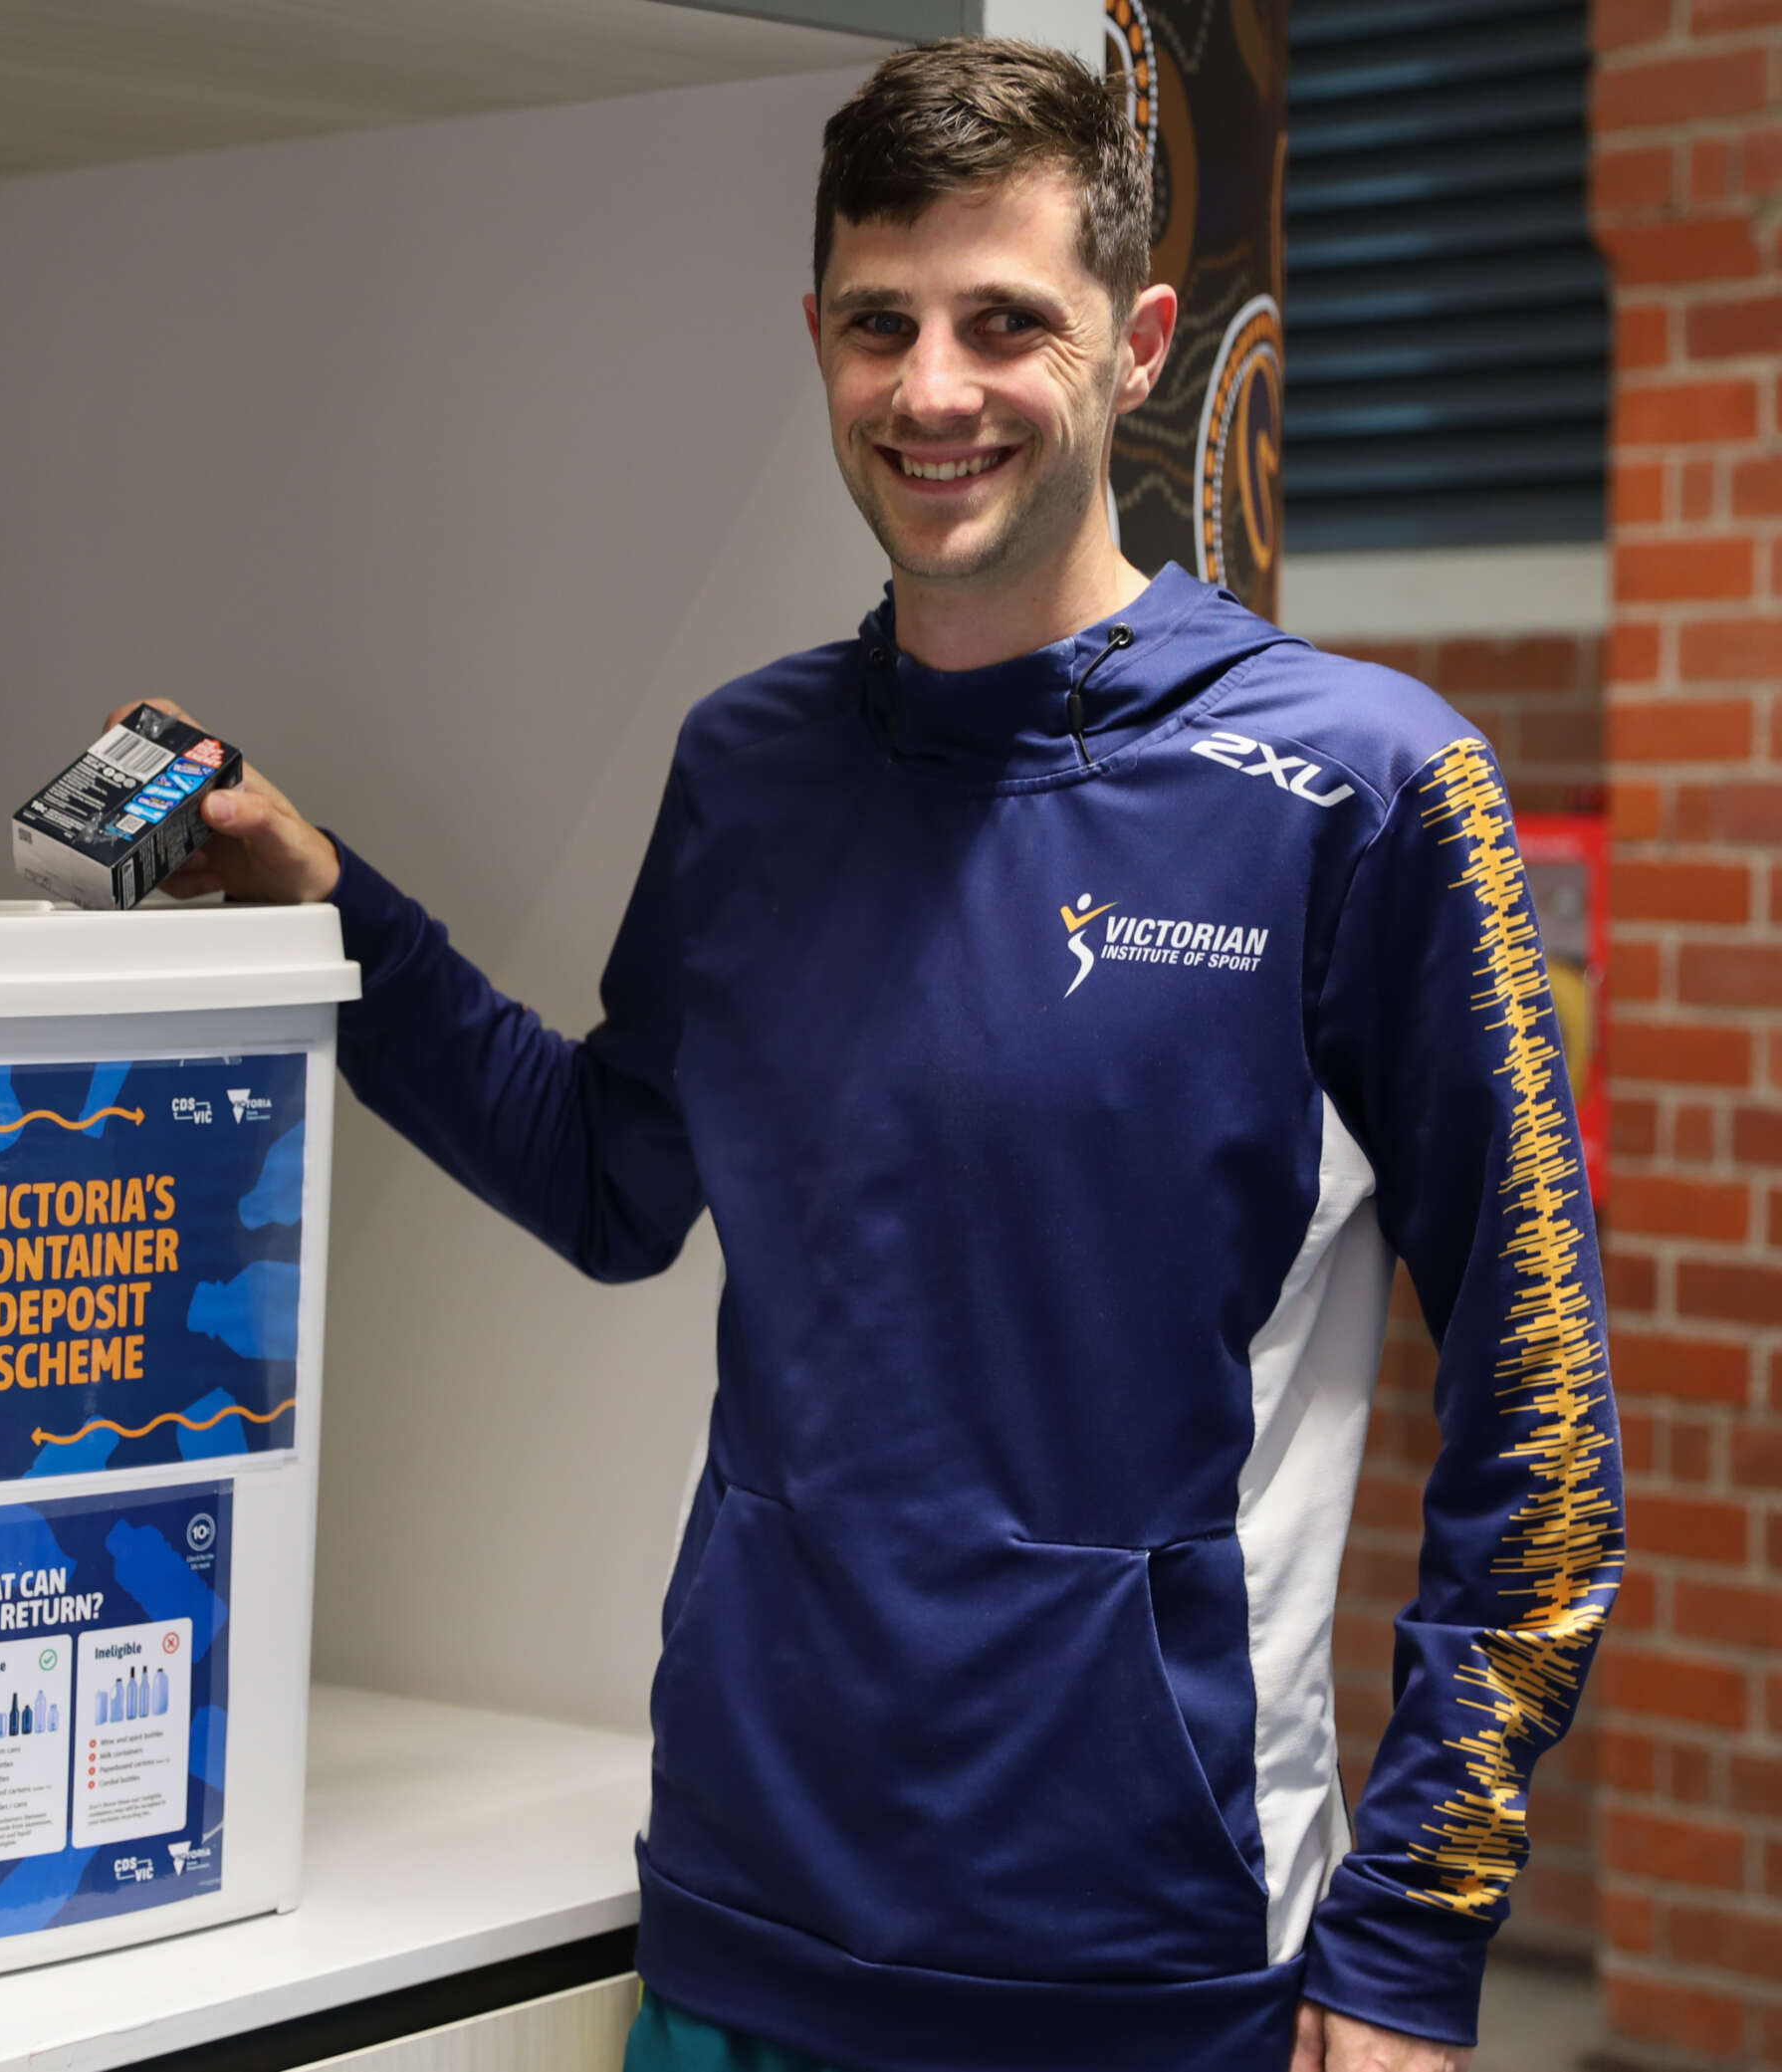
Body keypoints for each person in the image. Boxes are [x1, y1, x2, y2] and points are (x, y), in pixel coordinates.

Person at [121, 40, 1623, 2072]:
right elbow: (609, 1180)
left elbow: (1539, 1429)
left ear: (1134, 341)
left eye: (1005, 322)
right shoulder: (747, 771)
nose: (932, 391)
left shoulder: (1357, 794)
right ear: (813, 338)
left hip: (1143, 1975)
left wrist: (1409, 1936)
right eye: (876, 324)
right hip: (740, 1939)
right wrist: (327, 911)